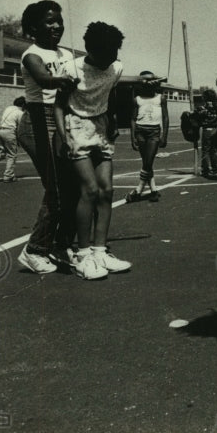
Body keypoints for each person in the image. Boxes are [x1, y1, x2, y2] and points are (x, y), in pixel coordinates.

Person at [54, 21, 160, 280]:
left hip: (100, 127)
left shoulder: (115, 66)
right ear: (90, 50)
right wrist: (63, 135)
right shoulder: (71, 69)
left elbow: (113, 87)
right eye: (104, 56)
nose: (109, 61)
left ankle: (100, 250)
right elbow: (57, 105)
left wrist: (113, 117)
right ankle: (83, 254)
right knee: (89, 190)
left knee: (107, 190)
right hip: (75, 127)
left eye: (114, 55)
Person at [14, 0, 80, 274]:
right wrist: (63, 80)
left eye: (59, 21)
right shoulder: (31, 55)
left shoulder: (66, 54)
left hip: (62, 119)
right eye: (49, 21)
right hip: (38, 123)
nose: (56, 26)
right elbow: (43, 79)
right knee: (57, 190)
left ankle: (60, 245)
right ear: (33, 28)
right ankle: (34, 250)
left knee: (74, 188)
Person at [126, 70, 168, 202]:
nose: (148, 84)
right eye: (145, 81)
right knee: (146, 163)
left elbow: (165, 118)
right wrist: (132, 137)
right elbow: (133, 119)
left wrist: (164, 135)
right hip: (140, 131)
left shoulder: (160, 98)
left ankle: (138, 190)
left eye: (151, 81)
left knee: (148, 162)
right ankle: (154, 190)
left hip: (154, 132)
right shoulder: (137, 99)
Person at [197, 89, 217, 178]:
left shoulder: (206, 106)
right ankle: (216, 169)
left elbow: (201, 116)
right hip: (215, 128)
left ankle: (205, 170)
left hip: (207, 128)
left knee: (205, 150)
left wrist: (201, 114)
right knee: (213, 150)